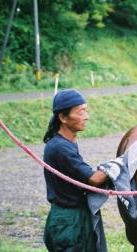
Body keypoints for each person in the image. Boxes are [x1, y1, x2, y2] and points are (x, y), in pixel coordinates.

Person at [43, 89, 108, 251]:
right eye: (81, 112)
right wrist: (120, 163)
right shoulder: (60, 148)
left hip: (72, 216)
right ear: (63, 118)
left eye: (86, 110)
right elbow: (94, 179)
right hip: (69, 220)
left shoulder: (63, 143)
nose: (87, 117)